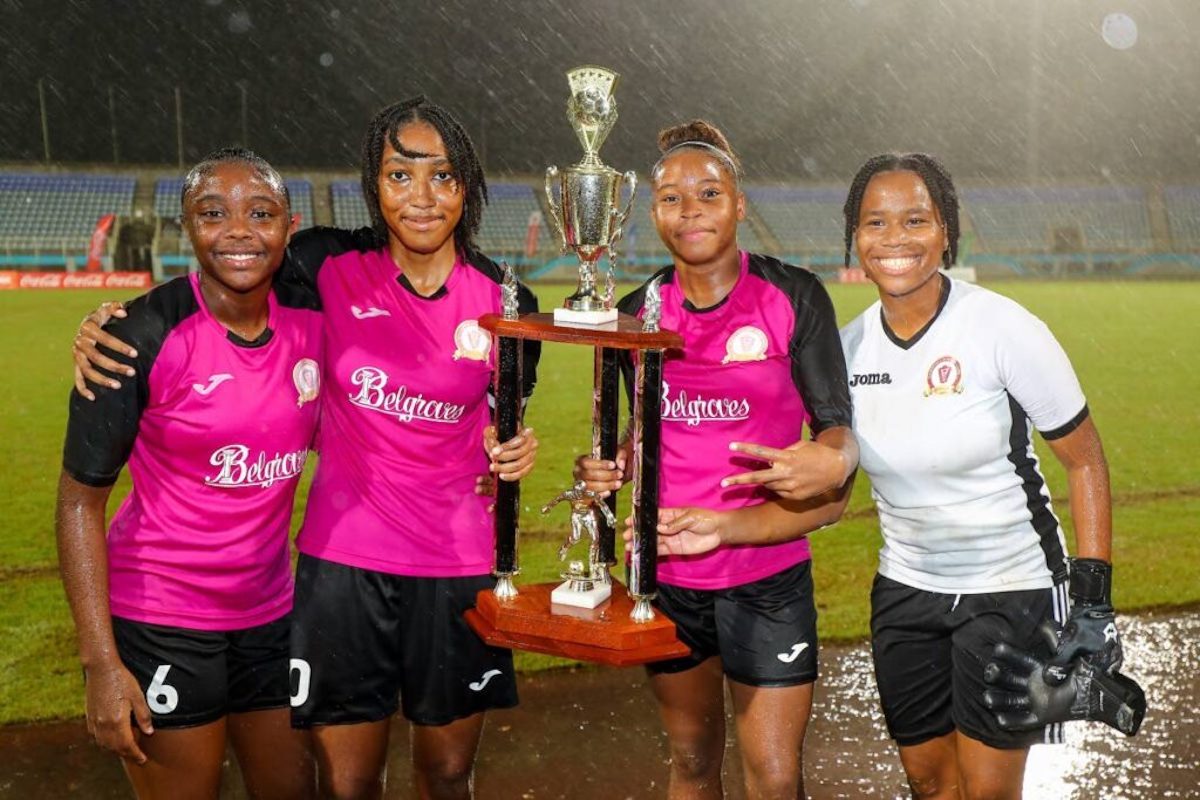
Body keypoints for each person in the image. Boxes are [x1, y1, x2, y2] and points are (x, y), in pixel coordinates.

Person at [72, 97, 541, 800]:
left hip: (457, 565)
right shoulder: (324, 262)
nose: (420, 197)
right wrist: (113, 323)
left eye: (442, 177)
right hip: (341, 568)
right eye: (399, 175)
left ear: (467, 186)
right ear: (373, 184)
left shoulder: (510, 304)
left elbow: (500, 428)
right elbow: (229, 274)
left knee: (447, 775)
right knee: (346, 783)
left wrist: (514, 451)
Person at [675, 153, 1120, 800]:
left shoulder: (1004, 328)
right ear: (854, 237)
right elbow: (829, 500)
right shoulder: (846, 351)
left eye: (916, 220)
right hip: (906, 596)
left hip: (1011, 589)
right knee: (927, 782)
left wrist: (1094, 600)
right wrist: (722, 527)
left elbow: (1084, 460)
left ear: (946, 231)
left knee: (988, 790)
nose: (895, 239)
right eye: (874, 222)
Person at [576, 120, 858, 800]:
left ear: (738, 203)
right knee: (694, 762)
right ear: (653, 213)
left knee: (775, 774)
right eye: (672, 197)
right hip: (668, 576)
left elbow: (835, 429)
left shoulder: (794, 296)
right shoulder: (634, 314)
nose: (691, 209)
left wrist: (836, 460)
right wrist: (605, 473)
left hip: (767, 577)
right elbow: (637, 434)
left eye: (708, 193)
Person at [57, 148, 319, 800]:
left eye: (260, 213)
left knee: (294, 787)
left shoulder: (315, 322)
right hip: (162, 614)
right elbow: (78, 504)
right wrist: (100, 665)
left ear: (291, 226)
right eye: (212, 213)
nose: (237, 231)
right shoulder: (139, 336)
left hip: (271, 612)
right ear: (186, 226)